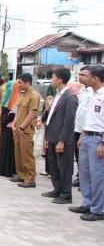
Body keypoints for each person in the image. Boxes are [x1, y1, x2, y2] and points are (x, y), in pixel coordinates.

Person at [70, 65, 104, 221]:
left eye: (87, 76)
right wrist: (82, 135)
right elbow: (89, 118)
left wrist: (103, 144)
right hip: (87, 136)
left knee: (97, 175)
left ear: (96, 78)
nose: (83, 78)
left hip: (98, 139)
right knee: (84, 173)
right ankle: (87, 203)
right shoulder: (92, 94)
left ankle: (97, 210)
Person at [41, 68, 78, 204]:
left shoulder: (70, 97)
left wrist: (62, 140)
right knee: (53, 166)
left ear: (60, 79)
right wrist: (47, 137)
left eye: (53, 77)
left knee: (64, 167)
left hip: (62, 138)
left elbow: (69, 121)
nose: (51, 79)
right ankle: (57, 189)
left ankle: (66, 194)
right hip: (52, 136)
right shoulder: (58, 95)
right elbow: (50, 117)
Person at [11, 73, 40, 188]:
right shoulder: (23, 95)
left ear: (27, 82)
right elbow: (18, 111)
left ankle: (30, 178)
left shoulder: (33, 96)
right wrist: (14, 124)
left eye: (20, 83)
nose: (18, 85)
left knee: (26, 154)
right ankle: (21, 174)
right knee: (18, 153)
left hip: (26, 129)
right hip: (18, 128)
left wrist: (22, 126)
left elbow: (32, 114)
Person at [73, 66, 93, 188]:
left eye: (84, 75)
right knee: (79, 156)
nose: (81, 77)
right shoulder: (81, 91)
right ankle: (81, 177)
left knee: (88, 159)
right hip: (77, 128)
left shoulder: (94, 93)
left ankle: (87, 181)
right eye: (79, 75)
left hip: (87, 130)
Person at [0, 81, 20, 177]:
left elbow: (12, 114)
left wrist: (2, 123)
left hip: (9, 126)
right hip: (6, 126)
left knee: (7, 149)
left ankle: (6, 170)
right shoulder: (9, 98)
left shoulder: (15, 98)